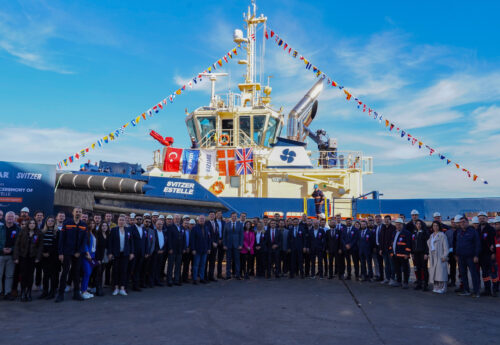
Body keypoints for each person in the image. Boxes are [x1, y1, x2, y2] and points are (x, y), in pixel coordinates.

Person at [56, 207, 87, 303]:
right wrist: (60, 253)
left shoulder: (83, 225)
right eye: (76, 211)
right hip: (67, 252)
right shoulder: (67, 223)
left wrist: (79, 251)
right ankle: (60, 294)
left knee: (76, 273)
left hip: (78, 254)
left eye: (80, 212)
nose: (78, 213)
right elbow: (61, 239)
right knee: (65, 272)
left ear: (81, 214)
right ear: (73, 213)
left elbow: (84, 241)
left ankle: (76, 293)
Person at [13, 219, 43, 301]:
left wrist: (38, 257)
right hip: (23, 257)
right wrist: (16, 257)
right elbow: (17, 245)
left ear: (35, 224)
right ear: (28, 224)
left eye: (34, 223)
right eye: (30, 223)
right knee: (23, 275)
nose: (32, 224)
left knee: (30, 275)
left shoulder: (39, 233)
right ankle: (23, 292)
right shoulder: (22, 232)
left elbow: (40, 246)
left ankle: (28, 292)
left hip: (32, 258)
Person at [455, 215, 481, 297]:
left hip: (471, 257)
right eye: (460, 222)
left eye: (464, 222)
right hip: (461, 257)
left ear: (468, 222)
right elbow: (457, 244)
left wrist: (476, 255)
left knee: (474, 274)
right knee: (463, 274)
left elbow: (477, 244)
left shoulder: (473, 232)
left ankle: (476, 292)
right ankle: (466, 290)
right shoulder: (459, 232)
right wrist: (456, 254)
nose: (462, 223)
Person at [108, 215, 134, 296]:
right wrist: (110, 253)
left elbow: (131, 242)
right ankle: (116, 288)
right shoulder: (114, 230)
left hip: (125, 254)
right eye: (120, 220)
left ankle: (122, 288)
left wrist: (132, 252)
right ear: (117, 221)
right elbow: (110, 242)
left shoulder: (128, 230)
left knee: (124, 271)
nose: (121, 221)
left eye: (123, 220)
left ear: (125, 221)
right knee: (115, 271)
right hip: (116, 254)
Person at [477, 211, 497, 296]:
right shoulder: (477, 229)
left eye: (483, 218)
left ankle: (495, 290)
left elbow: (494, 242)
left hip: (489, 254)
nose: (482, 220)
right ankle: (487, 290)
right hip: (481, 255)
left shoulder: (491, 229)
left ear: (487, 219)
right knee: (485, 273)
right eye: (480, 218)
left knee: (493, 273)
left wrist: (494, 252)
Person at [389, 218, 412, 289]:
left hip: (403, 255)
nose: (398, 226)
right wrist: (391, 252)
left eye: (399, 225)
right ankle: (399, 282)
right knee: (397, 269)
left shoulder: (407, 233)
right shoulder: (394, 233)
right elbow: (392, 243)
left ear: (402, 225)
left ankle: (405, 282)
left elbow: (409, 244)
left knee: (405, 269)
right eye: (396, 225)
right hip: (395, 255)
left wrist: (407, 253)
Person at [40, 216, 59, 299]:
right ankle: (45, 292)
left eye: (52, 221)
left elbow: (57, 245)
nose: (50, 222)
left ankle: (52, 292)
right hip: (44, 257)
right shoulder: (42, 232)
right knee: (45, 275)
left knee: (53, 275)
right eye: (49, 221)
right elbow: (40, 244)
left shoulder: (57, 232)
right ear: (46, 222)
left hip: (53, 256)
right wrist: (43, 252)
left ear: (54, 222)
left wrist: (49, 252)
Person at [1, 212, 19, 301]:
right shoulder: (0, 228)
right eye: (8, 217)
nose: (10, 218)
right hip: (0, 254)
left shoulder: (17, 229)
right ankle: (0, 292)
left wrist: (11, 249)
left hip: (12, 256)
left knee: (9, 275)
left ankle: (8, 292)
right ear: (5, 218)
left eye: (12, 217)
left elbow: (18, 243)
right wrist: (2, 249)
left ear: (14, 218)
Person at [428, 221, 449, 293]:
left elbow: (446, 247)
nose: (435, 227)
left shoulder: (442, 235)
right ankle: (436, 286)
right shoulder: (431, 235)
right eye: (434, 226)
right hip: (433, 256)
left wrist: (444, 256)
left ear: (439, 226)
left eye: (437, 226)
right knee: (435, 272)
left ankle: (443, 287)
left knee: (441, 272)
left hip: (440, 255)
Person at [191, 216, 211, 284]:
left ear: (204, 220)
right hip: (197, 250)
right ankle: (195, 279)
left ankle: (201, 278)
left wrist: (209, 248)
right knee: (196, 265)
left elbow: (208, 239)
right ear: (198, 220)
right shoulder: (194, 228)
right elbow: (192, 240)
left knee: (203, 265)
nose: (202, 220)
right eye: (201, 219)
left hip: (205, 250)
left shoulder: (206, 228)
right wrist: (193, 249)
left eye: (203, 219)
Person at [131, 213, 148, 292]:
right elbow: (130, 242)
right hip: (133, 253)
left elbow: (145, 241)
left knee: (138, 269)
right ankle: (127, 285)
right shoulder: (131, 229)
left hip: (141, 253)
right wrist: (132, 252)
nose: (139, 220)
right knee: (131, 269)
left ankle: (136, 285)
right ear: (134, 220)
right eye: (137, 219)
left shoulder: (144, 229)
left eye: (140, 219)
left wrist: (146, 252)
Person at [223, 212, 243, 280]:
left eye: (235, 216)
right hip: (228, 245)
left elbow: (241, 235)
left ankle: (237, 275)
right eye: (233, 216)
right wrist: (224, 244)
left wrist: (240, 245)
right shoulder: (227, 224)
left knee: (237, 260)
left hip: (237, 245)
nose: (234, 217)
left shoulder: (240, 224)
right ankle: (228, 274)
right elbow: (224, 235)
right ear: (231, 217)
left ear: (236, 217)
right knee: (228, 261)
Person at [411, 220, 430, 291]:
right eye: (417, 224)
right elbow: (412, 243)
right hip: (416, 253)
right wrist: (412, 253)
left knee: (424, 269)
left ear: (422, 225)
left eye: (420, 224)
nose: (418, 225)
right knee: (417, 268)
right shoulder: (414, 233)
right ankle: (419, 283)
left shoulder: (425, 233)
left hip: (423, 253)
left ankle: (425, 284)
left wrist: (426, 253)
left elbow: (427, 244)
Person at [81, 220, 97, 299]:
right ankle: (83, 291)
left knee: (89, 273)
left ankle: (85, 289)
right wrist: (87, 254)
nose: (92, 224)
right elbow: (84, 244)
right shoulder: (86, 233)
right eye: (90, 223)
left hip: (93, 256)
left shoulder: (93, 233)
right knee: (87, 273)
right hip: (87, 256)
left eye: (93, 223)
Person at [167, 215, 184, 286]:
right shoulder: (170, 227)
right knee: (170, 266)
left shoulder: (181, 227)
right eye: (176, 219)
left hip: (179, 250)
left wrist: (183, 248)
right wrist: (170, 248)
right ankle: (169, 280)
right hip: (172, 250)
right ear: (173, 219)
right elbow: (169, 239)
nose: (177, 220)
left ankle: (176, 280)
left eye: (178, 219)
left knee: (178, 266)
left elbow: (183, 239)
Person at [379, 215, 396, 285]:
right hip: (384, 250)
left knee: (392, 265)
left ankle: (392, 279)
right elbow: (381, 239)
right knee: (386, 265)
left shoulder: (393, 228)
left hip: (390, 250)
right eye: (385, 219)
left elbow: (393, 240)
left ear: (390, 220)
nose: (386, 221)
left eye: (387, 219)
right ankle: (387, 278)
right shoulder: (383, 228)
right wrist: (380, 249)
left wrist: (391, 249)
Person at [94, 221, 108, 296]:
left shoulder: (107, 234)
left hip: (105, 255)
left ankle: (100, 287)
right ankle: (97, 289)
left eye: (106, 226)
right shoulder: (98, 235)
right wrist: (98, 259)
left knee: (102, 271)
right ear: (100, 227)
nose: (104, 227)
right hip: (99, 255)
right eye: (103, 226)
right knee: (98, 273)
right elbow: (97, 247)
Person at [205, 211, 219, 282]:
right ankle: (205, 277)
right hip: (208, 246)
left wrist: (216, 242)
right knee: (206, 262)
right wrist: (212, 242)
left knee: (212, 262)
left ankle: (211, 276)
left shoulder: (216, 224)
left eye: (213, 215)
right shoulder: (206, 223)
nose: (212, 216)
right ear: (209, 216)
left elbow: (217, 234)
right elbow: (207, 235)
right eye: (211, 215)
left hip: (214, 247)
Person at [181, 217, 193, 283]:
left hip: (188, 250)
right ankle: (178, 278)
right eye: (185, 223)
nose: (186, 224)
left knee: (186, 265)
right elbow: (180, 241)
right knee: (179, 265)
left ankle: (185, 278)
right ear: (182, 223)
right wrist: (183, 248)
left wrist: (189, 248)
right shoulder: (180, 230)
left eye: (187, 223)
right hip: (182, 250)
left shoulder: (190, 231)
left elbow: (191, 241)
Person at [215, 210, 226, 279]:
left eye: (220, 214)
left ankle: (219, 274)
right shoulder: (213, 222)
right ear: (216, 215)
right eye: (218, 214)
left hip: (222, 241)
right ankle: (209, 274)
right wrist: (217, 240)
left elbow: (225, 233)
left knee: (220, 259)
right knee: (211, 259)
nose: (219, 215)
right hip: (215, 242)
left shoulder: (224, 222)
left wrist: (222, 240)